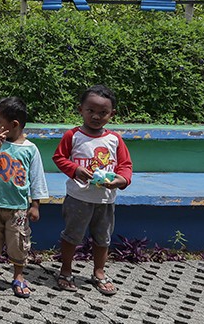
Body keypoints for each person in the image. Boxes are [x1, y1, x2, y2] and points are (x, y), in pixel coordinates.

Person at [52, 85, 132, 296]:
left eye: (103, 112)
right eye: (91, 111)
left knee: (103, 238)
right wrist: (75, 169)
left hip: (105, 200)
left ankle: (99, 272)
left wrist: (121, 180)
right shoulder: (73, 136)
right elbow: (59, 158)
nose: (96, 116)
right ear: (81, 110)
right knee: (72, 236)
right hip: (78, 198)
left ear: (112, 114)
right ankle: (66, 270)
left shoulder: (115, 139)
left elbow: (125, 165)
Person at [0, 97, 48, 299]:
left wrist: (35, 205)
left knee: (18, 241)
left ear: (14, 124)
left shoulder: (30, 149)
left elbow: (36, 178)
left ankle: (18, 276)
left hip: (17, 207)